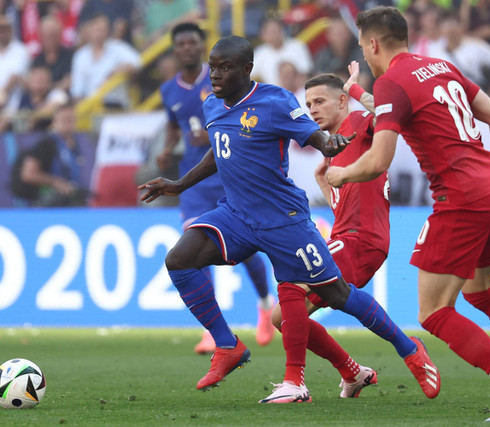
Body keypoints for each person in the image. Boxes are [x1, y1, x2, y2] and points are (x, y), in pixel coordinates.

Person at [139, 35, 437, 404]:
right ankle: (228, 346)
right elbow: (220, 152)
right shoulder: (213, 105)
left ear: (246, 69)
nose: (215, 74)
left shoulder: (274, 100)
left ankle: (408, 348)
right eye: (213, 66)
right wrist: (179, 184)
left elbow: (313, 136)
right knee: (179, 260)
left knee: (336, 293)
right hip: (235, 213)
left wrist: (330, 145)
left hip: (283, 219)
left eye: (225, 67)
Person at [326, 6, 490, 421]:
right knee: (480, 291)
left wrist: (341, 174)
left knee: (434, 312)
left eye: (363, 47)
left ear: (372, 44)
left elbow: (377, 161)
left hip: (460, 196)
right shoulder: (440, 66)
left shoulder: (391, 81)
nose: (366, 57)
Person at [268, 69, 441, 401]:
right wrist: (325, 183)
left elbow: (390, 115)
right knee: (284, 316)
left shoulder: (359, 122)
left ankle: (409, 349)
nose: (313, 109)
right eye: (308, 104)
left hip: (361, 237)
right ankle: (352, 372)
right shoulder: (333, 147)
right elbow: (352, 200)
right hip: (351, 235)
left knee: (292, 279)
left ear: (342, 102)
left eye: (320, 101)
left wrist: (359, 90)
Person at [157, 22, 276, 353]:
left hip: (228, 175)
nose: (186, 48)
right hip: (194, 182)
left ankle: (265, 305)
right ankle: (213, 329)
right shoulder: (169, 90)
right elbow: (172, 123)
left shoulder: (220, 80)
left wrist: (212, 136)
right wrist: (168, 148)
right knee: (193, 246)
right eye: (180, 43)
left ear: (201, 46)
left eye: (192, 42)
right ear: (174, 49)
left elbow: (244, 118)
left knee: (247, 248)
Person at [11, 103, 88, 207]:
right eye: (64, 120)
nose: (69, 124)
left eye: (71, 120)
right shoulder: (46, 144)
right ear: (55, 122)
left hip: (69, 200)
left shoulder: (74, 145)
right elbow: (28, 174)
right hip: (49, 201)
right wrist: (56, 182)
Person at [70, 14, 141, 108]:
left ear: (107, 30)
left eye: (102, 29)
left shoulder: (118, 47)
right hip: (90, 106)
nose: (99, 33)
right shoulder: (80, 55)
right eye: (96, 30)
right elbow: (77, 90)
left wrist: (118, 70)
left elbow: (138, 62)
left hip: (115, 104)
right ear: (88, 31)